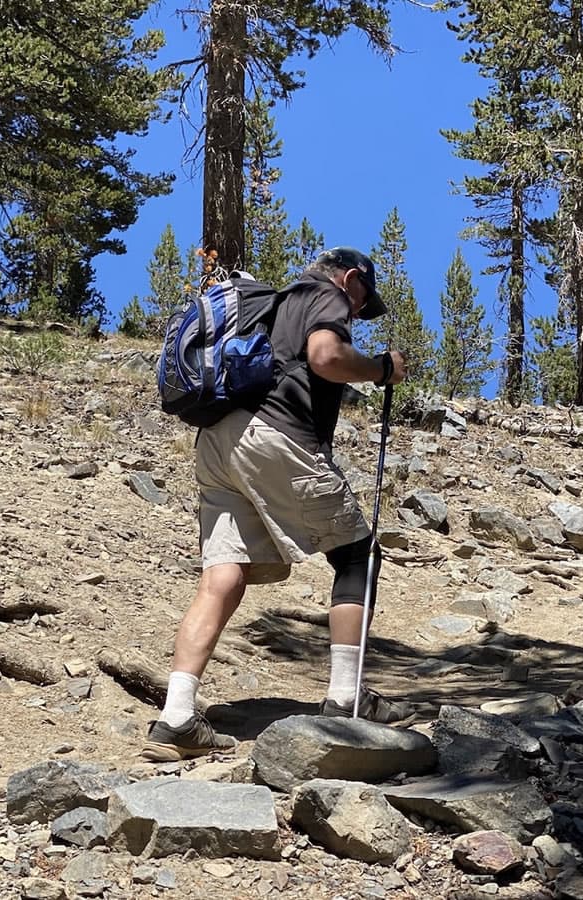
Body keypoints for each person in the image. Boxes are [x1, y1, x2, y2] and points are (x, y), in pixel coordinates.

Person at [142, 247, 411, 761]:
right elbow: (326, 357)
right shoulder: (324, 294)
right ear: (350, 279)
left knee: (224, 573)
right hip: (275, 436)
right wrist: (381, 369)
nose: (357, 312)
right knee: (358, 556)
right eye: (361, 301)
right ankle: (347, 696)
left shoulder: (275, 304)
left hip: (218, 442)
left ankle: (176, 716)